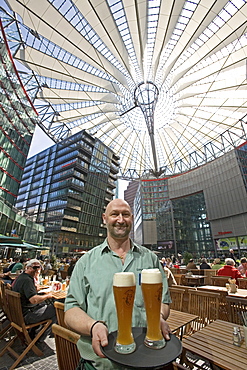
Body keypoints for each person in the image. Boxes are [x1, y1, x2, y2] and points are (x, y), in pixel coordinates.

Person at [64, 199, 171, 370]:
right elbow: (71, 310)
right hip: (101, 363)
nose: (120, 220)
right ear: (104, 218)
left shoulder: (150, 258)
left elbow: (163, 302)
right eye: (115, 214)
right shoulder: (85, 262)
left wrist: (158, 317)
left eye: (125, 214)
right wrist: (93, 326)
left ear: (132, 218)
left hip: (148, 359)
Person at [12, 259, 57, 343]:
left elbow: (29, 292)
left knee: (44, 304)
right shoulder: (27, 280)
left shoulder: (22, 277)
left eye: (39, 267)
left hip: (16, 313)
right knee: (56, 309)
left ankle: (34, 332)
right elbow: (34, 300)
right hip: (26, 315)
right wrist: (48, 295)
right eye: (34, 267)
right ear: (27, 268)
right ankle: (39, 339)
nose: (37, 269)